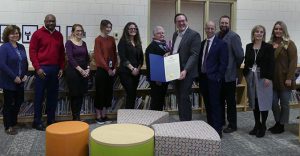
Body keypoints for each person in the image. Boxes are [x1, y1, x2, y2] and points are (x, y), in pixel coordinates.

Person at [29, 14, 65, 131]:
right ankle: (37, 121)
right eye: (48, 21)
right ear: (44, 21)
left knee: (52, 97)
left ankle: (51, 120)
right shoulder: (37, 34)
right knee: (39, 97)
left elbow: (61, 53)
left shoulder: (59, 35)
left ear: (55, 22)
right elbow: (32, 52)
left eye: (53, 21)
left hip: (55, 69)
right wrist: (37, 68)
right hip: (42, 70)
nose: (50, 23)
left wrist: (61, 68)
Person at [243, 25, 274, 138]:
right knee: (254, 102)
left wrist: (268, 77)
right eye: (257, 32)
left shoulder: (268, 47)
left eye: (261, 32)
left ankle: (263, 126)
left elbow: (271, 63)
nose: (259, 34)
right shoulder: (249, 46)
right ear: (253, 34)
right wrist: (246, 74)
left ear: (263, 34)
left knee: (263, 102)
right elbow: (247, 61)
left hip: (263, 77)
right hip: (251, 76)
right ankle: (257, 124)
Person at [198, 21, 228, 137]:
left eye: (212, 28)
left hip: (214, 80)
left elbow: (223, 63)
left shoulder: (221, 44)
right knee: (208, 105)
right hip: (203, 79)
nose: (209, 30)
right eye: (208, 28)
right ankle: (211, 128)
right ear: (205, 29)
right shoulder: (202, 43)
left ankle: (217, 131)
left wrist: (218, 77)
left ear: (215, 29)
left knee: (216, 106)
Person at [268, 21, 297, 134]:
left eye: (280, 29)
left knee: (284, 103)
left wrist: (289, 78)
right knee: (273, 102)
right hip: (272, 79)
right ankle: (277, 121)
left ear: (284, 30)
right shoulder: (269, 44)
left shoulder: (289, 44)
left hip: (285, 79)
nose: (278, 31)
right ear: (273, 30)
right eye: (276, 29)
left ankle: (281, 124)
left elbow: (293, 62)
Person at [216, 15, 244, 133]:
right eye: (222, 23)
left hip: (229, 76)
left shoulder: (234, 36)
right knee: (219, 100)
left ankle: (232, 125)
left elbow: (240, 55)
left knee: (230, 102)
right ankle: (221, 121)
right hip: (218, 75)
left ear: (229, 24)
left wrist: (233, 67)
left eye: (226, 23)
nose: (224, 25)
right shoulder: (217, 35)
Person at [172, 13, 201, 121]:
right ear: (175, 23)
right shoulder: (175, 34)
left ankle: (186, 122)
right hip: (175, 71)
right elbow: (175, 51)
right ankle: (182, 119)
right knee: (179, 96)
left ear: (186, 21)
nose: (181, 23)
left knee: (184, 96)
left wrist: (185, 70)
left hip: (187, 72)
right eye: (178, 21)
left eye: (183, 20)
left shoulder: (194, 35)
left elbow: (194, 55)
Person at [0, 25, 28, 135]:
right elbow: (2, 64)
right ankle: (8, 126)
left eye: (16, 33)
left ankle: (13, 121)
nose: (15, 35)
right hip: (9, 81)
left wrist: (25, 74)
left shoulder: (21, 47)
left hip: (20, 81)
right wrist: (14, 77)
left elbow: (25, 62)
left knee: (19, 102)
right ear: (7, 35)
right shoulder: (4, 47)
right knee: (8, 104)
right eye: (12, 33)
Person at [94, 20, 117, 124]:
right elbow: (98, 56)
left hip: (112, 71)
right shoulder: (98, 40)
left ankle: (104, 114)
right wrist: (107, 69)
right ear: (102, 27)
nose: (109, 29)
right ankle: (98, 115)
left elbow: (114, 54)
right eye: (107, 27)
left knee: (108, 93)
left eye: (110, 27)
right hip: (102, 71)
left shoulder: (112, 39)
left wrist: (115, 67)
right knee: (100, 93)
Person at [64, 24, 90, 121]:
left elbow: (87, 58)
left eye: (81, 31)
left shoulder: (84, 43)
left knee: (81, 94)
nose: (79, 32)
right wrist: (81, 70)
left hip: (84, 72)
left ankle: (78, 115)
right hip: (73, 72)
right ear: (73, 32)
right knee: (74, 94)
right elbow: (70, 58)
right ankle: (75, 117)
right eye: (77, 31)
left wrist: (87, 69)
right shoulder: (69, 43)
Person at [118, 22, 144, 109]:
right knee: (130, 93)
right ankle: (127, 116)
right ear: (127, 30)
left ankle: (130, 114)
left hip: (136, 73)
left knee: (133, 94)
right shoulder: (122, 42)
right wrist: (132, 69)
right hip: (125, 72)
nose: (133, 30)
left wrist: (138, 69)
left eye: (135, 28)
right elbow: (123, 58)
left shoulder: (138, 43)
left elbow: (141, 59)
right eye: (131, 28)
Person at [145, 26, 170, 111]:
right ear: (154, 35)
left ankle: (160, 118)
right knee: (156, 100)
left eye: (163, 32)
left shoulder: (164, 45)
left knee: (161, 99)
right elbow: (152, 64)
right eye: (159, 33)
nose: (161, 34)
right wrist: (157, 79)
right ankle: (155, 120)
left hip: (164, 77)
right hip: (157, 80)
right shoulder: (152, 46)